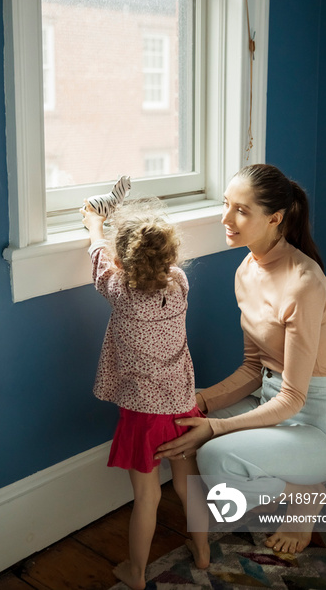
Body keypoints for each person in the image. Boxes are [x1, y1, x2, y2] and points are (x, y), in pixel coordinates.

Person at [154, 163, 326, 555]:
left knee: (215, 455)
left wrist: (214, 428)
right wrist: (202, 402)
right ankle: (279, 480)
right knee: (179, 417)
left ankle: (304, 491)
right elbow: (252, 368)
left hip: (314, 423)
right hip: (268, 399)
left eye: (242, 210)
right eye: (227, 205)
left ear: (275, 218)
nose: (226, 218)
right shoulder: (246, 270)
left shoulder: (304, 284)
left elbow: (293, 398)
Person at [81, 198, 210, 590]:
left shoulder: (118, 289)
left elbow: (98, 255)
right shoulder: (181, 284)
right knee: (188, 484)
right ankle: (203, 552)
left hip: (143, 416)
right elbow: (145, 265)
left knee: (147, 498)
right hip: (183, 405)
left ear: (123, 263)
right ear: (171, 259)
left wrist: (93, 224)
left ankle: (136, 574)